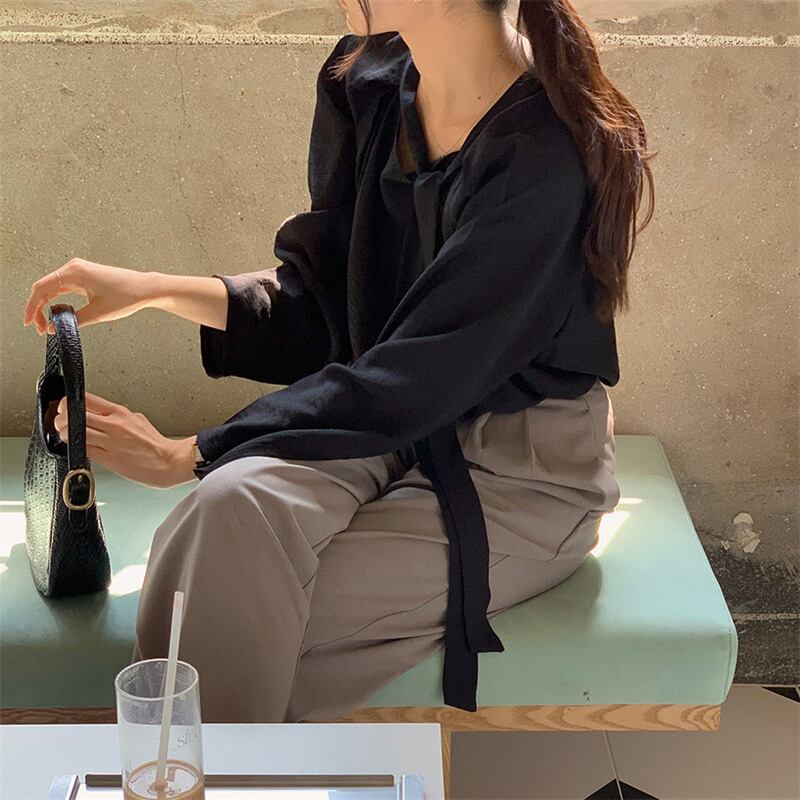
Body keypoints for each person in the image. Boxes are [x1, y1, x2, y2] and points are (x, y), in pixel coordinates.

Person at [22, 0, 655, 723]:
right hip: (378, 429)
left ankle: (185, 768)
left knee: (220, 609)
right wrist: (154, 291)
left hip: (518, 477)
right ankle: (203, 765)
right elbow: (331, 306)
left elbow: (415, 379)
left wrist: (188, 452)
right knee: (228, 511)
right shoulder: (369, 77)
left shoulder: (543, 157)